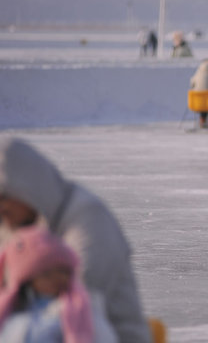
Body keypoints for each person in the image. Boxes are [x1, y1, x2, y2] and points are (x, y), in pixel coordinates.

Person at [0, 138, 152, 343]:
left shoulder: (88, 217)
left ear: (23, 191)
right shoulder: (22, 226)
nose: (4, 218)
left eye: (5, 208)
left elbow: (77, 295)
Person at [0, 226, 117, 342]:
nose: (58, 278)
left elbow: (103, 336)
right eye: (46, 274)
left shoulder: (80, 308)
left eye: (64, 271)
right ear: (28, 280)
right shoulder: (11, 311)